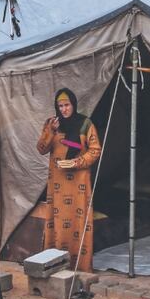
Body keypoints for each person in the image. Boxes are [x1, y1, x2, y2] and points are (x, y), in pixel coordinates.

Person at [36, 88, 101, 272]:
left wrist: (76, 162)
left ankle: (80, 266)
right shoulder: (52, 124)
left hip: (78, 183)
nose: (64, 109)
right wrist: (50, 131)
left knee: (78, 222)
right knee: (57, 223)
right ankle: (56, 264)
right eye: (60, 106)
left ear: (73, 104)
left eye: (67, 105)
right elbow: (41, 149)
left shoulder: (85, 124)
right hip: (57, 184)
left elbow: (95, 150)